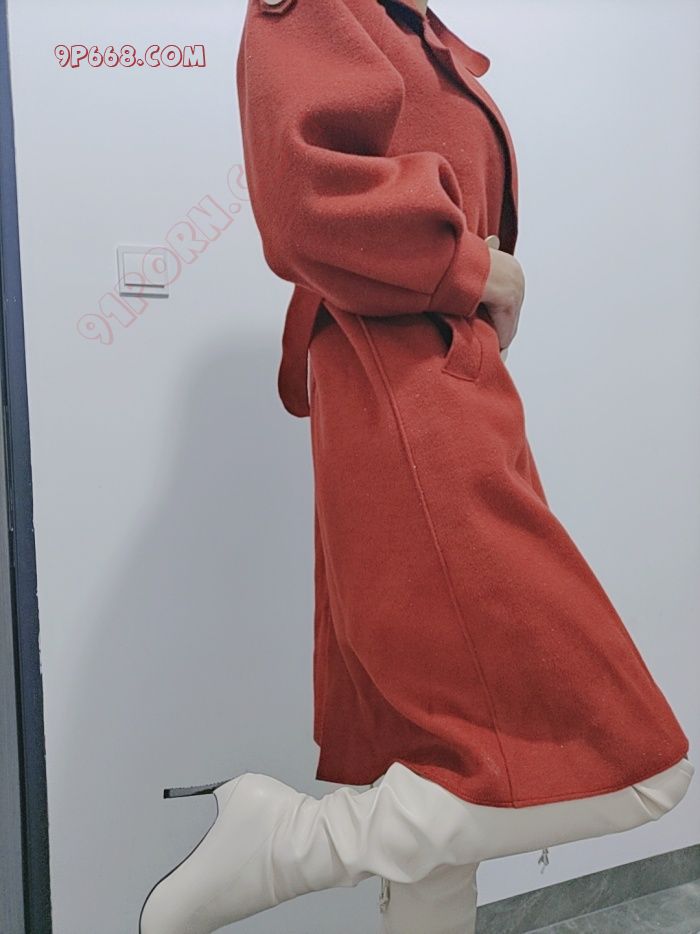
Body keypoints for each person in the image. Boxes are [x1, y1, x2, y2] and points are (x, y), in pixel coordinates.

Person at [139, 0, 693, 931]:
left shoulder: (407, 26)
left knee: (439, 755)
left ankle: (306, 845)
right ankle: (286, 843)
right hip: (407, 399)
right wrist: (484, 269)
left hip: (439, 392)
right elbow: (304, 202)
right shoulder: (322, 9)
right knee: (640, 770)